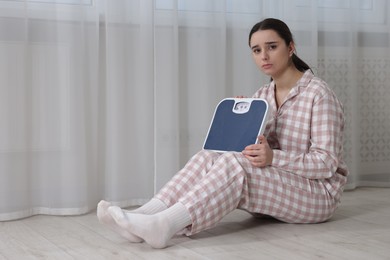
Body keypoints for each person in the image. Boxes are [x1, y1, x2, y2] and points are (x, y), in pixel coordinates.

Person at [97, 18, 349, 249]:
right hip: (280, 191)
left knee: (234, 165)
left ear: (290, 47)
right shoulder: (262, 96)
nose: (264, 55)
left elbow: (326, 163)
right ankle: (144, 216)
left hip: (318, 195)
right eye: (257, 50)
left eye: (272, 46)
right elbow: (251, 153)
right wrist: (241, 128)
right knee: (208, 156)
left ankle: (165, 224)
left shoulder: (318, 94)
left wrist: (273, 158)